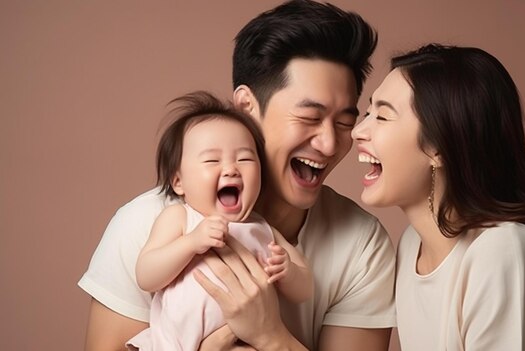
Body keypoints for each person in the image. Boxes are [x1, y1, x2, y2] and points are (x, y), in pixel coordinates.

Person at [79, 1, 396, 350]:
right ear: (247, 106)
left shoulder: (362, 245)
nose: (329, 142)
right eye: (308, 117)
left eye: (344, 123)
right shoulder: (146, 224)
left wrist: (270, 335)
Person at [351, 43, 525, 350]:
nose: (357, 131)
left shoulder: (503, 250)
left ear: (438, 147)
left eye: (382, 117)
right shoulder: (413, 243)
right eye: (367, 112)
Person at [125, 91, 312, 350]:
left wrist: (288, 271)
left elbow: (306, 288)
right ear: (178, 182)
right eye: (212, 160)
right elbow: (146, 275)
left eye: (245, 158)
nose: (231, 168)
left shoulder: (262, 228)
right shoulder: (181, 218)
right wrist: (191, 243)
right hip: (174, 344)